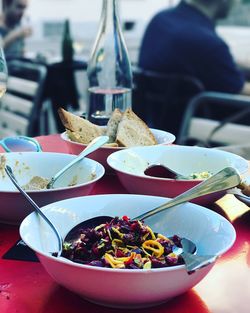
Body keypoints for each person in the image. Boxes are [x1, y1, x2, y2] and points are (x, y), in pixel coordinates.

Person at [138, 0, 250, 95]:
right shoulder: (209, 43)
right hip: (205, 117)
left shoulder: (160, 20)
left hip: (156, 116)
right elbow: (239, 89)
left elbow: (205, 63)